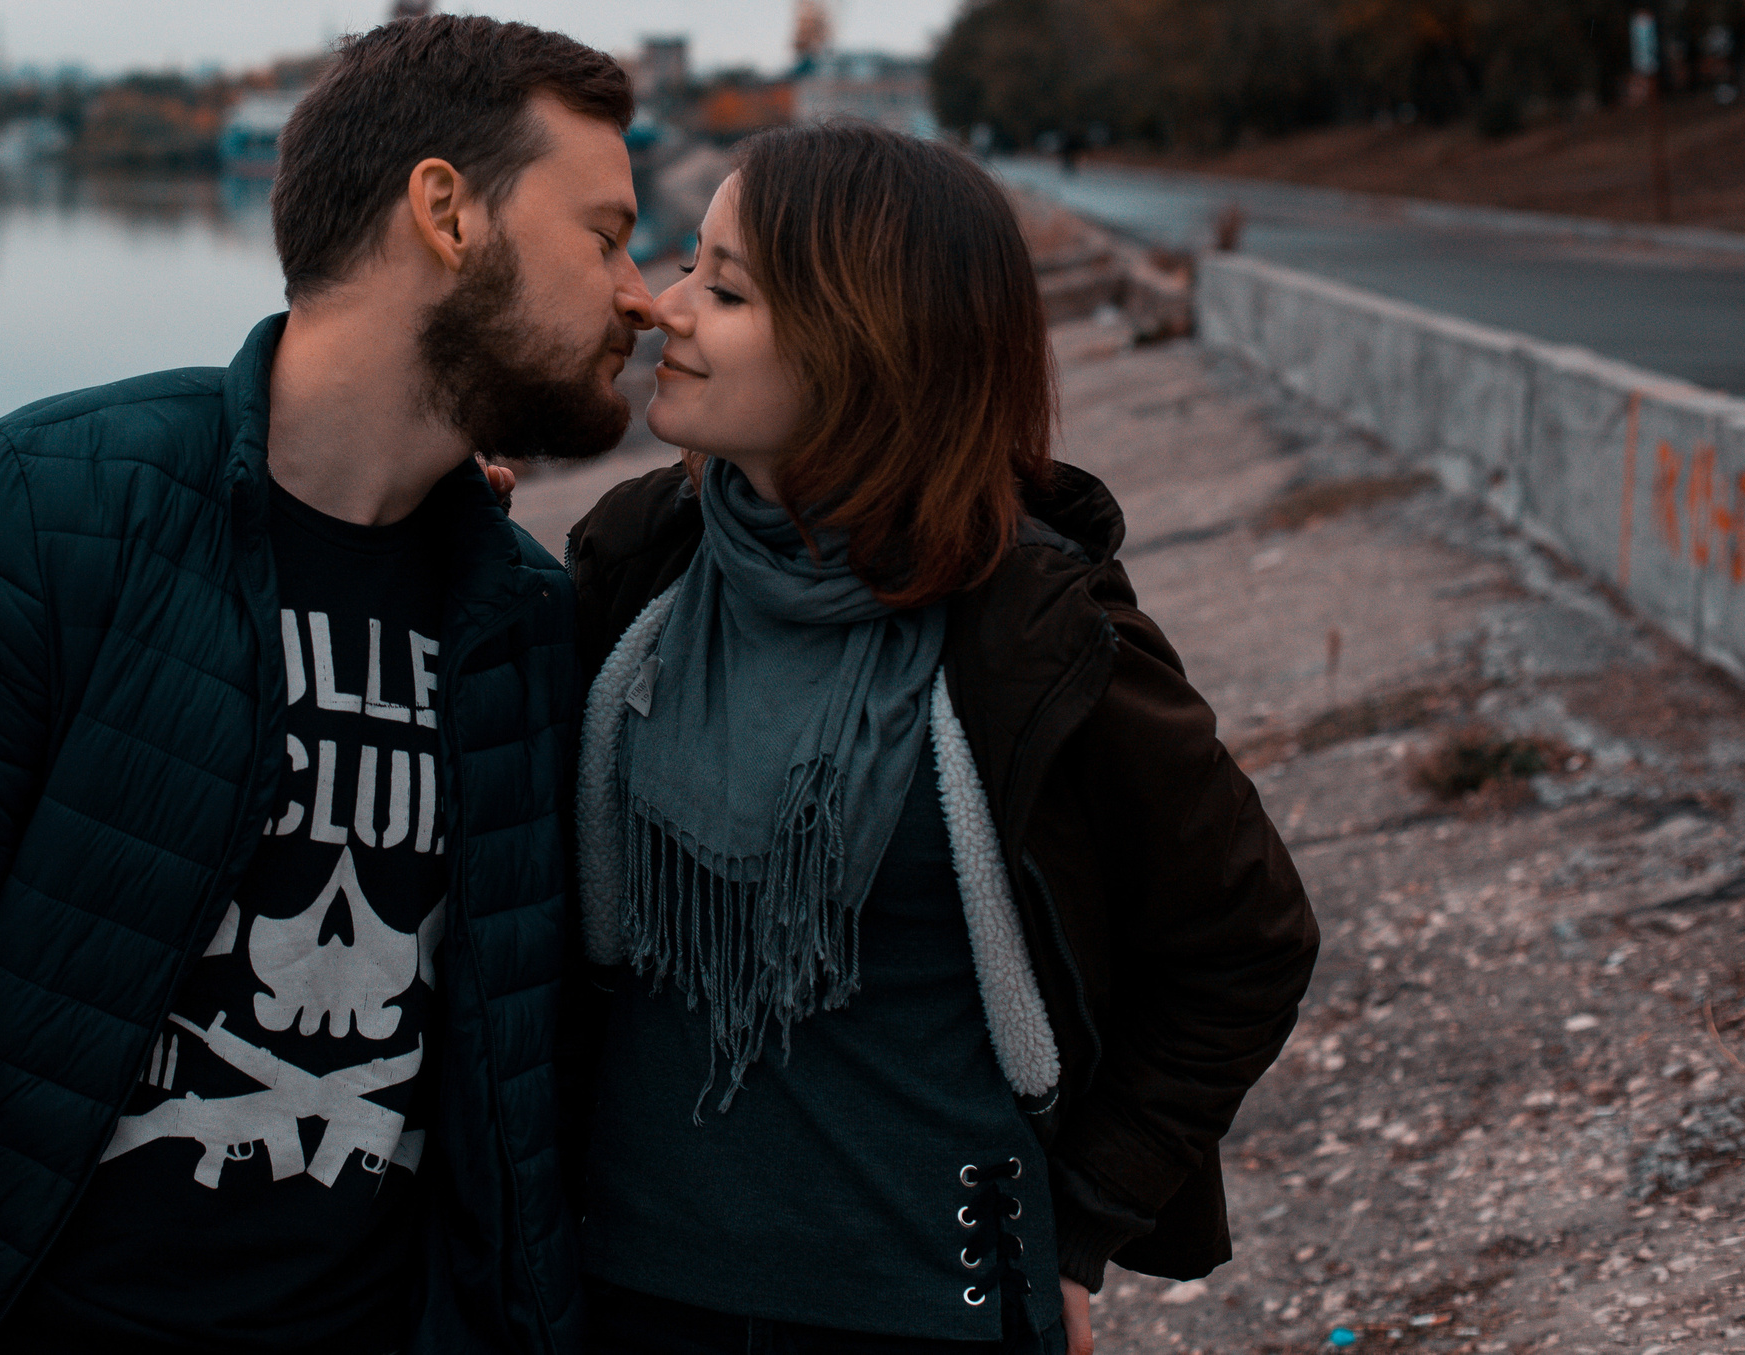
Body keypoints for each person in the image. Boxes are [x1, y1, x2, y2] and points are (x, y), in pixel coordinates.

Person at [0, 13, 656, 1355]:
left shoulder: (520, 615)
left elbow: (523, 1077)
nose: (641, 290)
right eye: (608, 234)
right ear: (447, 214)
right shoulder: (44, 518)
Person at [562, 122, 1319, 1355]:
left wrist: (1079, 1223)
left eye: (727, 286)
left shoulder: (1036, 631)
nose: (662, 307)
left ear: (868, 341)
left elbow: (1246, 941)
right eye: (686, 265)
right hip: (622, 1295)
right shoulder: (633, 563)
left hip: (931, 1309)